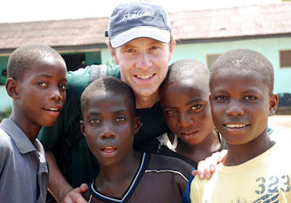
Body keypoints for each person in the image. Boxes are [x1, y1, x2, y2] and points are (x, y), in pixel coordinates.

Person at [37, 0, 219, 202]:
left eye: (154, 48)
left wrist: (221, 157)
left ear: (171, 48)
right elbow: (35, 146)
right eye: (130, 50)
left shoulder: (176, 96)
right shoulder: (80, 89)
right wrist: (62, 191)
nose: (144, 64)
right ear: (113, 53)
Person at [190, 49, 291, 202]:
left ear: (271, 104)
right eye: (222, 98)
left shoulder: (286, 162)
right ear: (210, 103)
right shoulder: (203, 184)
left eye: (250, 97)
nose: (234, 110)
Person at [80, 76, 193, 202]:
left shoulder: (175, 174)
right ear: (84, 129)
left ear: (135, 125)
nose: (107, 132)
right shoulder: (84, 199)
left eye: (119, 119)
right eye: (95, 121)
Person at [0, 44, 67, 203]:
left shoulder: (38, 151)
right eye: (43, 84)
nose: (57, 95)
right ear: (13, 89)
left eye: (62, 86)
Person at [148, 59, 226, 167]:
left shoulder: (239, 144)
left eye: (196, 107)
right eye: (171, 112)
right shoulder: (154, 156)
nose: (184, 122)